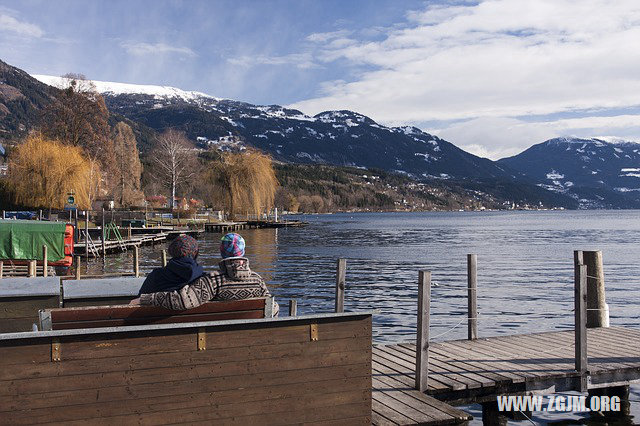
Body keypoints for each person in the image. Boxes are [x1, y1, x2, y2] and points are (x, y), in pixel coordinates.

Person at [132, 233, 278, 314]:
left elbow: (183, 300)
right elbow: (273, 308)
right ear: (243, 252)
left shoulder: (213, 281)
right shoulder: (258, 281)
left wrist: (144, 299)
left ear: (222, 252)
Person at [137, 234, 204, 295]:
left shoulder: (155, 277)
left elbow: (139, 300)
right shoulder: (203, 279)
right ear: (195, 253)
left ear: (172, 252)